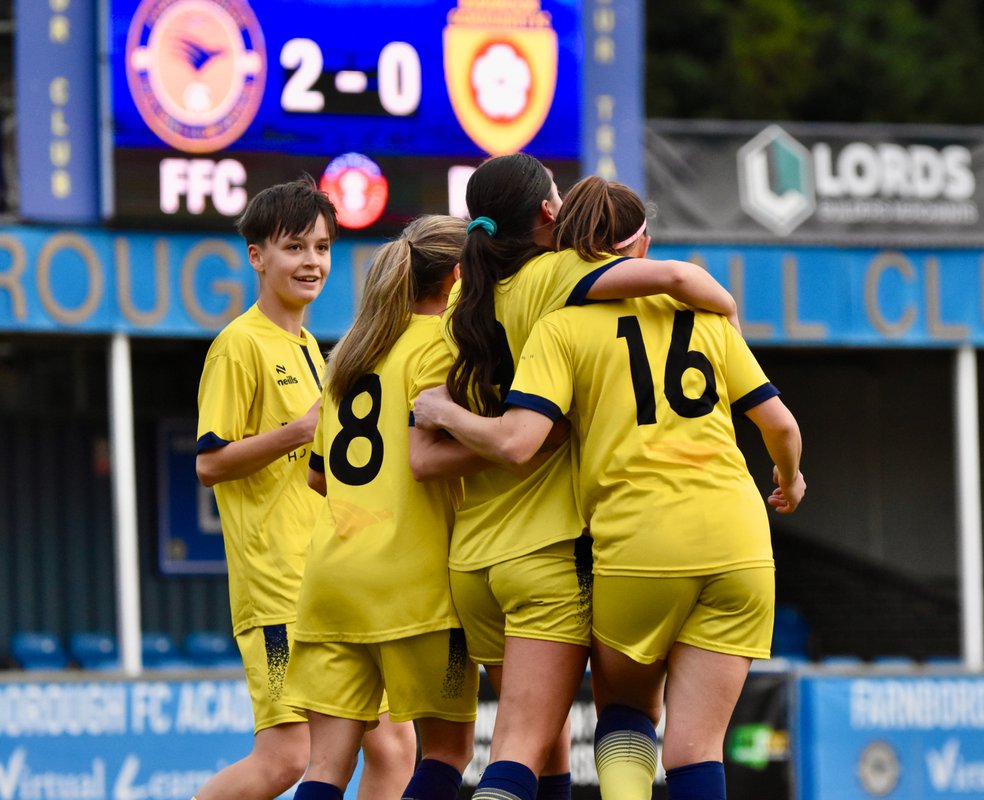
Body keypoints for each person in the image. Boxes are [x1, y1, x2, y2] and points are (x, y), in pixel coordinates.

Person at [414, 175, 806, 800]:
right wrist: (789, 479)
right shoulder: (695, 317)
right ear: (640, 243)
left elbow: (495, 444)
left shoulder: (525, 319)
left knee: (599, 719)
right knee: (695, 749)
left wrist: (442, 413)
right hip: (732, 539)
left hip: (597, 543)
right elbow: (780, 425)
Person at [193, 177, 414, 800]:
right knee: (288, 757)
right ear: (257, 256)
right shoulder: (239, 346)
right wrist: (298, 430)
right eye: (294, 247)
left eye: (321, 247)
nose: (311, 261)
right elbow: (211, 464)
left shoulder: (316, 352)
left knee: (395, 748)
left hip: (336, 579)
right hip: (278, 585)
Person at [282, 215, 483, 800]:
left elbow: (320, 479)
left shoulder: (349, 355)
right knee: (447, 752)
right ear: (456, 277)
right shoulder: (447, 344)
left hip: (331, 581)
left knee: (325, 768)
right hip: (415, 586)